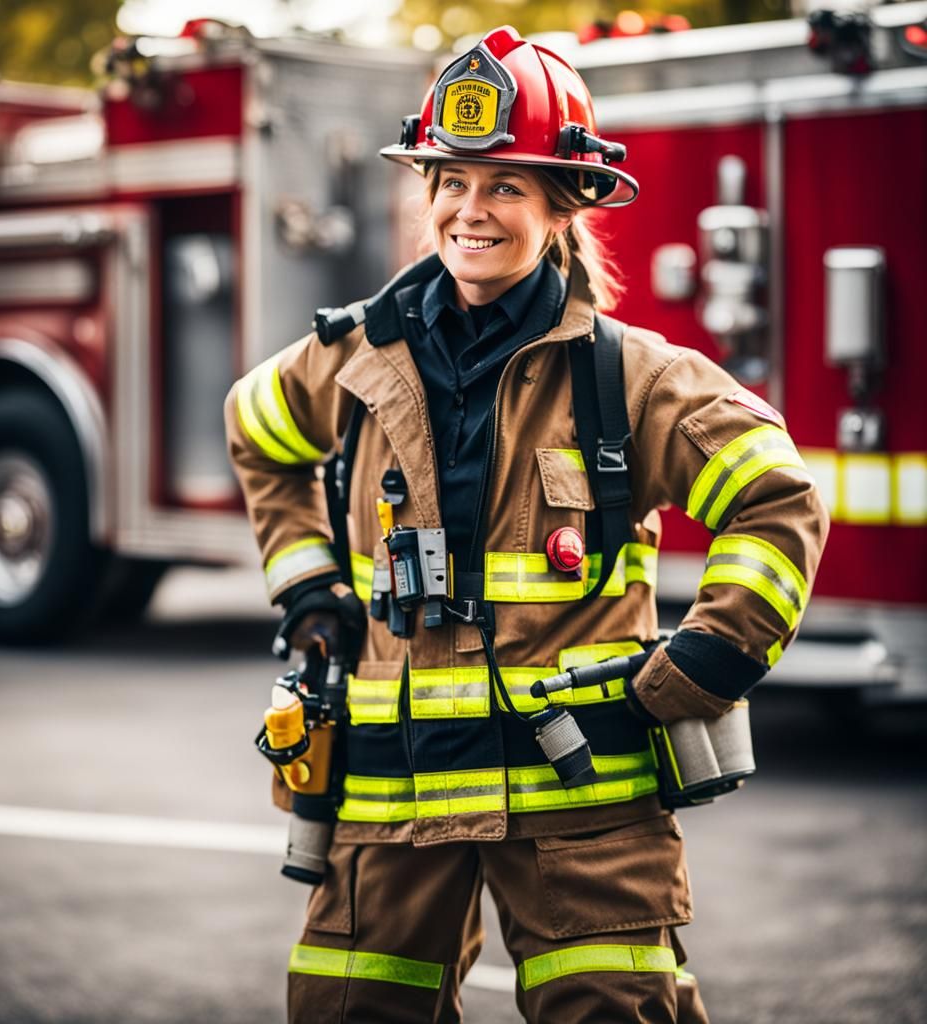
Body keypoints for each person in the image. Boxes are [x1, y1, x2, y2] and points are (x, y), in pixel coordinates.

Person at [225, 25, 829, 1024]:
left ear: (564, 205)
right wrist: (307, 586)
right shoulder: (353, 360)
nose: (470, 209)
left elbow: (776, 495)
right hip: (389, 809)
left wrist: (707, 660)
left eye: (505, 185)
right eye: (451, 181)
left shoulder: (632, 378)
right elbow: (255, 431)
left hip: (582, 815)